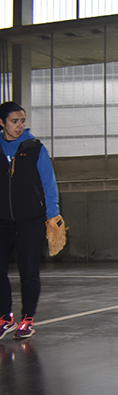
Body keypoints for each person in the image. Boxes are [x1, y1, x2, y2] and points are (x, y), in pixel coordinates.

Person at [0, 101, 62, 341]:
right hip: (3, 221)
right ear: (2, 122)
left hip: (31, 220)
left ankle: (27, 318)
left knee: (28, 271)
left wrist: (53, 216)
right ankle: (6, 318)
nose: (19, 125)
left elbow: (49, 183)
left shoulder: (35, 147)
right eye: (14, 121)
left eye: (22, 121)